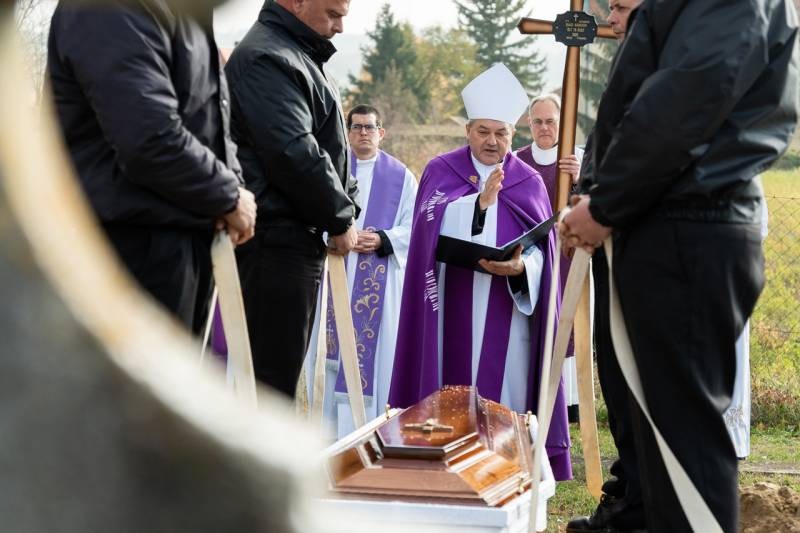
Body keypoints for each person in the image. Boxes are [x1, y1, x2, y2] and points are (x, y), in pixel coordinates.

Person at [561, 0, 798, 532]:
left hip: (690, 222)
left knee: (683, 445)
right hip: (670, 220)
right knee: (661, 443)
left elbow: (685, 100)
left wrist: (606, 205)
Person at [389, 64, 572, 481]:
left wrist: (522, 267)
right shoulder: (441, 170)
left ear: (513, 133)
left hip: (509, 314)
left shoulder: (528, 181)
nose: (492, 142)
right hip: (448, 308)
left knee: (505, 400)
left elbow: (543, 253)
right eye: (483, 132)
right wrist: (479, 205)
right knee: (448, 393)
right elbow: (426, 232)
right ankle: (445, 475)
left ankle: (506, 475)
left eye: (501, 133)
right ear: (468, 130)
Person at [47, 0, 256, 334]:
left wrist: (232, 191)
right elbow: (148, 137)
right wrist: (228, 195)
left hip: (181, 240)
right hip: (127, 248)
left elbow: (211, 120)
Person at [224, 0, 359, 398]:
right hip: (274, 242)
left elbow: (329, 147)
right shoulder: (267, 58)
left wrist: (346, 205)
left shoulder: (295, 53)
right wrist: (339, 217)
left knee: (280, 378)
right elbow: (293, 152)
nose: (339, 28)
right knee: (271, 388)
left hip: (292, 237)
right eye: (333, 14)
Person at [304, 105, 417, 438]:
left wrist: (383, 239)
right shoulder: (330, 170)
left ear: (382, 133)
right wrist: (332, 235)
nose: (363, 133)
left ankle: (372, 433)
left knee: (376, 359)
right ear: (347, 132)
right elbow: (308, 216)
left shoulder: (402, 177)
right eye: (356, 127)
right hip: (335, 274)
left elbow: (415, 227)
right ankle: (327, 436)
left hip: (379, 281)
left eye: (370, 127)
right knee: (330, 355)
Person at [517, 93, 582, 422]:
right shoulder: (517, 160)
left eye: (551, 121)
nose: (544, 128)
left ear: (562, 123)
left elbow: (597, 201)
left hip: (568, 253)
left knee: (565, 321)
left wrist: (581, 178)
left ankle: (569, 402)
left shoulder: (575, 159)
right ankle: (530, 393)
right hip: (530, 255)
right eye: (538, 121)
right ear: (529, 124)